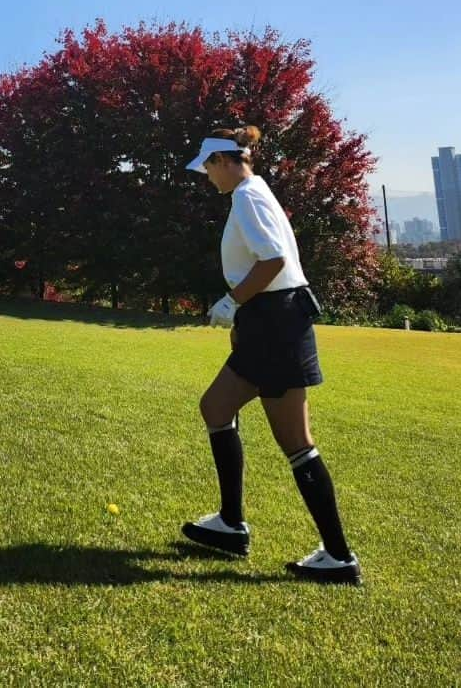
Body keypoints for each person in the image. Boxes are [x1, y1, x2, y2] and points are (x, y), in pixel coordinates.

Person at [180, 125, 362, 586]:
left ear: (223, 160)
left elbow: (273, 260)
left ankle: (339, 557)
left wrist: (231, 303)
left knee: (296, 442)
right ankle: (230, 523)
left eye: (207, 168)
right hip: (269, 322)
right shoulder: (254, 190)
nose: (206, 177)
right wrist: (245, 320)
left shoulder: (246, 196)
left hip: (278, 323)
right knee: (216, 407)